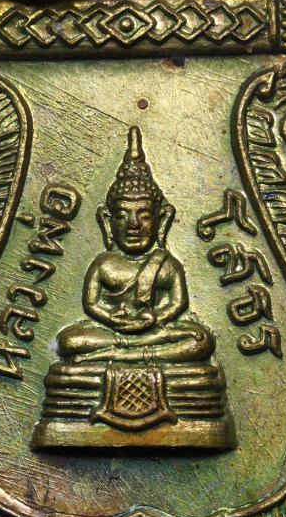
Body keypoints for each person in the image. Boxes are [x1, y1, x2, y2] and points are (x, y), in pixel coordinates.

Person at [56, 126, 215, 365]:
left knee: (201, 339)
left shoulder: (167, 264)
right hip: (111, 333)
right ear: (107, 220)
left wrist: (155, 318)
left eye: (144, 215)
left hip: (155, 332)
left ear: (161, 219)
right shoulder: (104, 264)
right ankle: (128, 349)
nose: (134, 224)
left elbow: (178, 303)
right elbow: (91, 304)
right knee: (69, 341)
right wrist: (111, 318)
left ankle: (125, 353)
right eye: (122, 215)